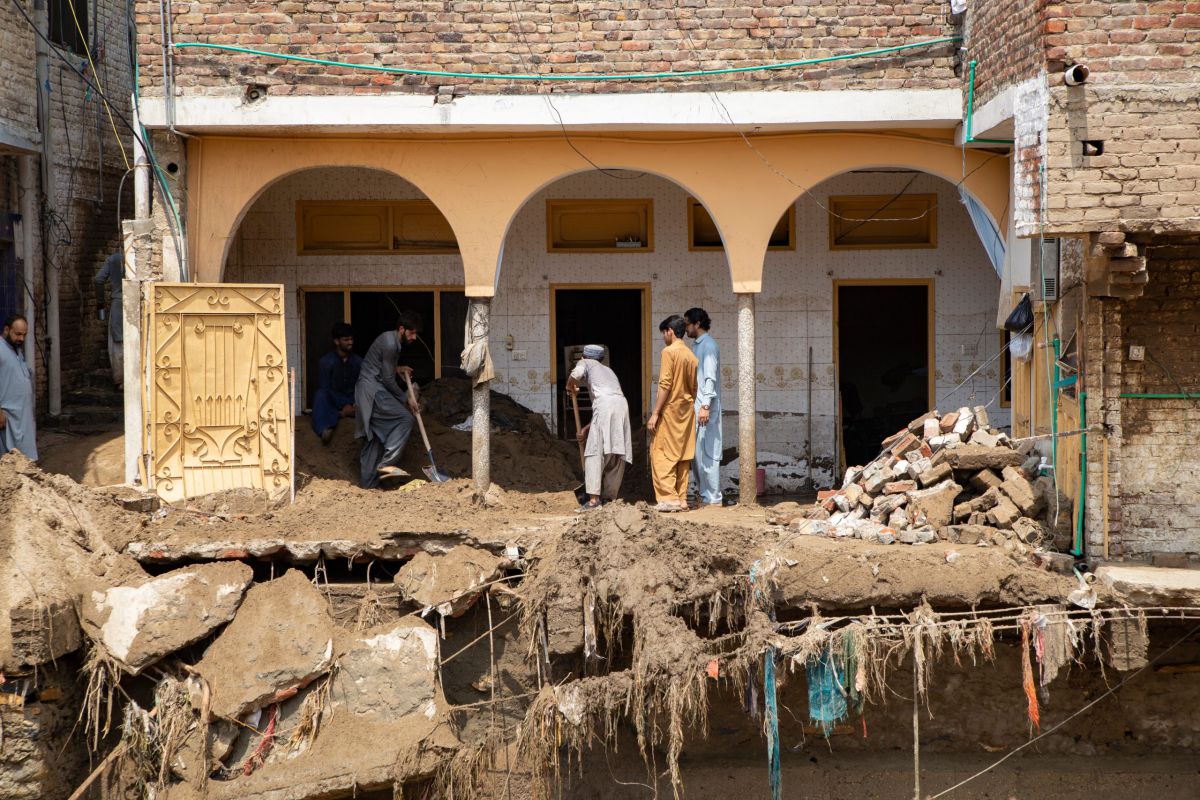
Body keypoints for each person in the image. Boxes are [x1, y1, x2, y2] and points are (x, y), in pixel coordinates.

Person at [354, 311, 422, 489]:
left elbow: (383, 367)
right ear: (402, 329)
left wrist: (397, 368)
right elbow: (387, 379)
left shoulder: (389, 339)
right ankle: (385, 465)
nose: (414, 337)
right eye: (412, 333)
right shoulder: (391, 344)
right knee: (405, 419)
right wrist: (406, 398)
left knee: (374, 439)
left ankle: (368, 487)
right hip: (373, 392)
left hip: (366, 391)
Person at [566, 344, 632, 511]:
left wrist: (570, 386)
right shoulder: (609, 371)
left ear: (584, 357)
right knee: (616, 453)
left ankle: (594, 501)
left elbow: (575, 374)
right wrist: (586, 429)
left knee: (594, 452)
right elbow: (607, 410)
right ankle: (610, 500)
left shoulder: (585, 363)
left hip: (605, 406)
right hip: (622, 406)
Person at [647, 315, 697, 512]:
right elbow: (694, 387)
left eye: (664, 333)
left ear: (669, 331)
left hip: (669, 411)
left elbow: (665, 384)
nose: (663, 337)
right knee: (683, 456)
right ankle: (682, 498)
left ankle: (669, 498)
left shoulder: (669, 352)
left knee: (661, 454)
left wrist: (655, 413)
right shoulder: (691, 356)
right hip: (686, 412)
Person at [685, 307, 723, 507]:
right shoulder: (698, 345)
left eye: (687, 324)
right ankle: (705, 495)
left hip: (705, 408)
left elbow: (710, 378)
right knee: (698, 455)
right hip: (698, 406)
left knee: (708, 454)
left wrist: (705, 406)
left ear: (697, 324)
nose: (686, 328)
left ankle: (713, 499)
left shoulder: (708, 346)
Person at [311, 322, 363, 445]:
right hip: (335, 401)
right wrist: (345, 407)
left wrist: (355, 403)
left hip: (354, 401)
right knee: (320, 395)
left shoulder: (359, 361)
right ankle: (324, 430)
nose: (350, 342)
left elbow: (363, 385)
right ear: (337, 341)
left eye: (351, 339)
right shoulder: (326, 362)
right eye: (346, 340)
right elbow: (325, 389)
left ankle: (341, 414)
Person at [0, 314, 37, 460]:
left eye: (24, 335)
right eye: (18, 334)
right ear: (6, 330)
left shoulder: (16, 350)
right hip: (7, 418)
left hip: (22, 416)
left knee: (24, 460)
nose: (21, 339)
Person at [94, 252, 123, 387]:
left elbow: (99, 279)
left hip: (118, 303)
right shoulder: (139, 257)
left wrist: (100, 301)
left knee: (117, 342)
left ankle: (119, 380)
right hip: (136, 303)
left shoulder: (114, 259)